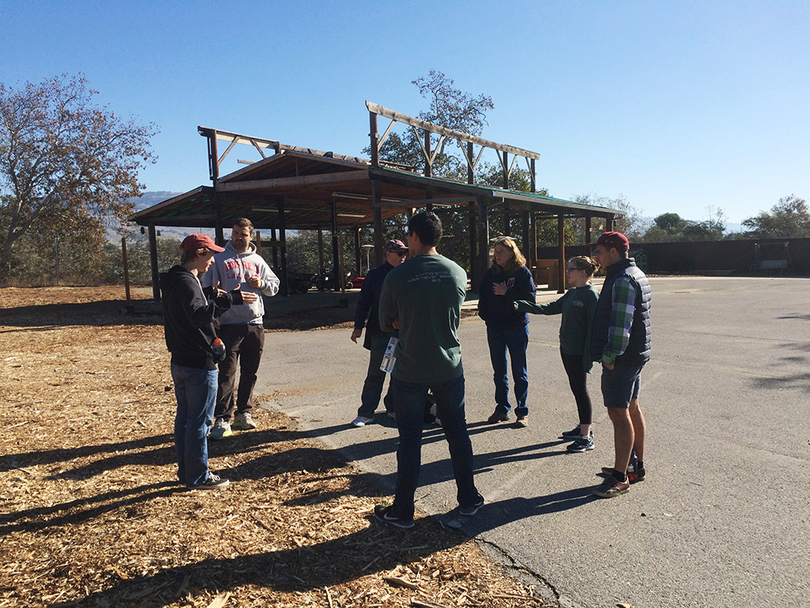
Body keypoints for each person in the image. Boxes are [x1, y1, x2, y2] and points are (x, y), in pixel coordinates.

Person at [374, 211, 483, 529]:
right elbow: (452, 314)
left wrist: (403, 319)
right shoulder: (457, 272)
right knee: (457, 434)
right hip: (449, 365)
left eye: (408, 236)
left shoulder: (397, 276)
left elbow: (385, 321)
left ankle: (403, 510)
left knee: (409, 440)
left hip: (409, 369)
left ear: (415, 237)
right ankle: (469, 499)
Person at [161, 234, 258, 490]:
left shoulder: (175, 279)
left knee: (185, 419)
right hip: (198, 363)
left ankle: (186, 472)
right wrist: (228, 300)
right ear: (199, 253)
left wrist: (208, 293)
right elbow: (197, 316)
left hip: (180, 360)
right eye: (210, 254)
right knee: (200, 422)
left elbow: (188, 304)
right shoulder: (187, 282)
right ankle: (198, 476)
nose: (212, 260)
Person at [204, 218, 280, 440]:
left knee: (250, 372)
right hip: (228, 325)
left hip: (255, 324)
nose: (238, 237)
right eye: (235, 233)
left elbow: (274, 286)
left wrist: (262, 285)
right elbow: (208, 290)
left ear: (251, 236)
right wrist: (214, 317)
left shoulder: (257, 260)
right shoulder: (219, 259)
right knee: (227, 372)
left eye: (242, 234)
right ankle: (222, 418)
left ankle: (244, 413)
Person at [514, 256, 599, 452]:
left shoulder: (590, 295)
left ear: (584, 273)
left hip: (578, 353)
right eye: (568, 269)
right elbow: (550, 308)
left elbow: (594, 328)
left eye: (571, 269)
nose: (567, 272)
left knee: (580, 390)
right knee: (576, 388)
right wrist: (523, 305)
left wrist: (589, 357)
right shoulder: (572, 293)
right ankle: (583, 426)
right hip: (566, 349)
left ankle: (586, 436)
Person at [590, 232, 651, 498]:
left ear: (613, 252)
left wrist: (611, 355)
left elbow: (621, 324)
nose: (597, 257)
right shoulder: (634, 273)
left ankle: (620, 476)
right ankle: (634, 466)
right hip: (636, 353)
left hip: (623, 357)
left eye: (600, 252)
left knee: (618, 412)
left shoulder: (623, 279)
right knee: (632, 406)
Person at [477, 237, 536, 427]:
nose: (497, 254)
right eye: (495, 250)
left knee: (519, 370)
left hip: (516, 327)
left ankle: (522, 411)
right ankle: (502, 408)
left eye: (501, 251)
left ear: (512, 252)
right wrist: (486, 316)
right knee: (498, 370)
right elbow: (483, 297)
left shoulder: (521, 273)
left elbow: (531, 299)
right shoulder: (491, 273)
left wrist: (507, 292)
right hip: (495, 328)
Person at [349, 239, 408, 427]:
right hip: (380, 332)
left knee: (399, 374)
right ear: (388, 254)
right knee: (377, 372)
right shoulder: (374, 275)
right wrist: (358, 327)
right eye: (399, 253)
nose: (403, 256)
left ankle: (393, 408)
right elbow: (363, 302)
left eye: (405, 253)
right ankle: (366, 412)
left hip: (404, 333)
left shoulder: (408, 273)